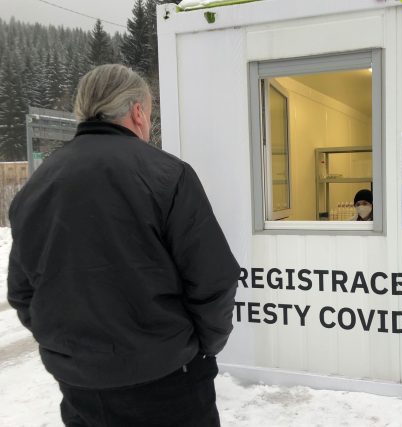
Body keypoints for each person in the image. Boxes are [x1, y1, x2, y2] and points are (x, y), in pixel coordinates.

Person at [7, 64, 240, 426]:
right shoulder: (168, 175)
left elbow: (23, 292)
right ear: (137, 112)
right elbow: (214, 280)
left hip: (81, 391)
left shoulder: (35, 187)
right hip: (169, 383)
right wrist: (203, 347)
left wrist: (70, 350)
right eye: (149, 114)